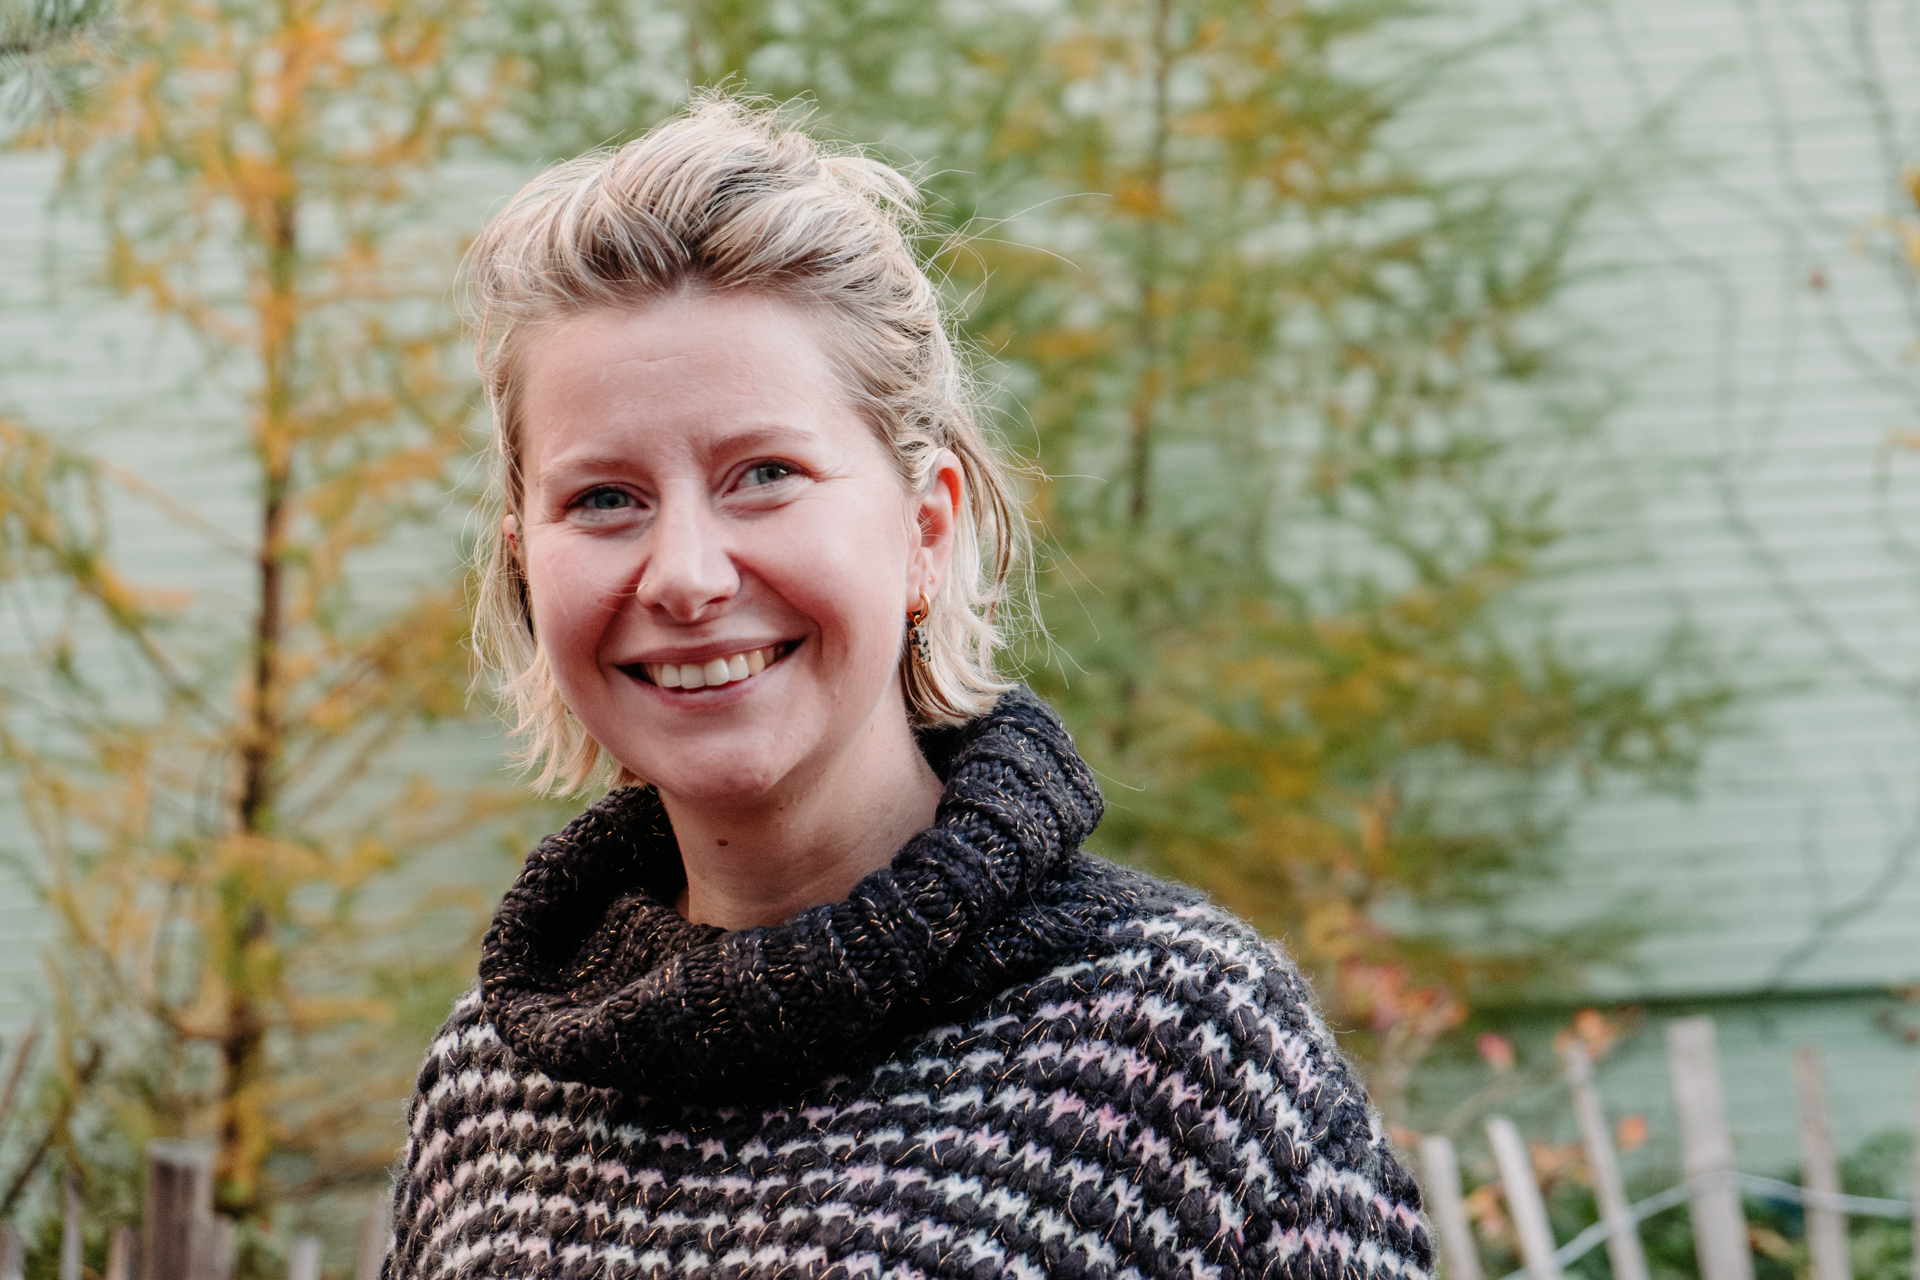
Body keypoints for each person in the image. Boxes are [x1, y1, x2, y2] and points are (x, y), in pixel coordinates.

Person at [387, 97, 1432, 1280]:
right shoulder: (492, 1091)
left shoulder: (1181, 1045)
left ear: (925, 528)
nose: (683, 574)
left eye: (765, 474)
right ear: (526, 554)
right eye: (604, 498)